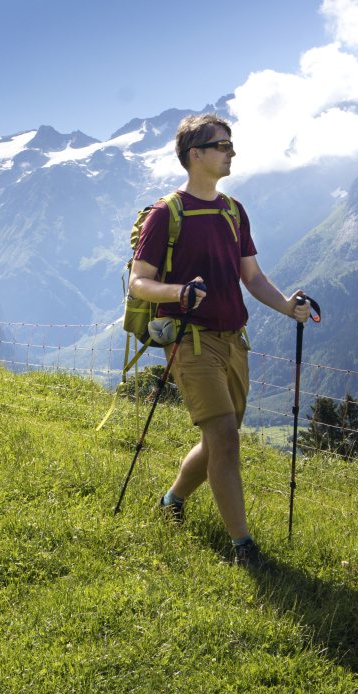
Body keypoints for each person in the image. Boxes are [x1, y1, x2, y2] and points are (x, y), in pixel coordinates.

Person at [128, 113, 311, 569]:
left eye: (230, 144)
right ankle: (244, 549)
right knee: (226, 440)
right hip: (190, 343)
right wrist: (178, 292)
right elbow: (139, 282)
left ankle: (171, 500)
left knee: (216, 442)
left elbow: (252, 276)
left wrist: (289, 306)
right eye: (222, 145)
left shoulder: (233, 211)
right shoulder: (165, 215)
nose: (231, 151)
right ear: (196, 155)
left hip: (234, 341)